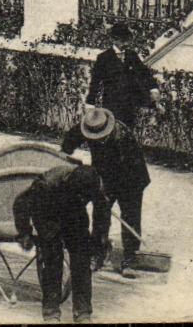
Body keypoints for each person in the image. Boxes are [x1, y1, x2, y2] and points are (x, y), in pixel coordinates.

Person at [12, 163, 112, 323]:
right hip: (47, 213)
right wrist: (25, 233)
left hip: (74, 214)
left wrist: (98, 242)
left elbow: (102, 211)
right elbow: (21, 203)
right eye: (80, 195)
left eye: (85, 197)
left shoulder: (93, 182)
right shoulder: (47, 184)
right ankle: (51, 312)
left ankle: (83, 312)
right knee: (52, 259)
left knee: (82, 260)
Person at [62, 105, 149, 277]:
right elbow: (69, 143)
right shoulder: (89, 125)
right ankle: (98, 253)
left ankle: (129, 258)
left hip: (131, 178)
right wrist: (64, 155)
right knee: (100, 214)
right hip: (105, 175)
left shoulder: (123, 138)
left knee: (130, 216)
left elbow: (126, 171)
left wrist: (105, 191)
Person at [87, 22, 163, 130]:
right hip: (111, 104)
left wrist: (153, 89)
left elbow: (144, 73)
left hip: (129, 105)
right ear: (114, 40)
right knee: (113, 134)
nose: (125, 43)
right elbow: (95, 83)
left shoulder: (132, 55)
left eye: (126, 39)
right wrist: (90, 104)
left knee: (128, 135)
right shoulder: (103, 58)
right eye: (122, 40)